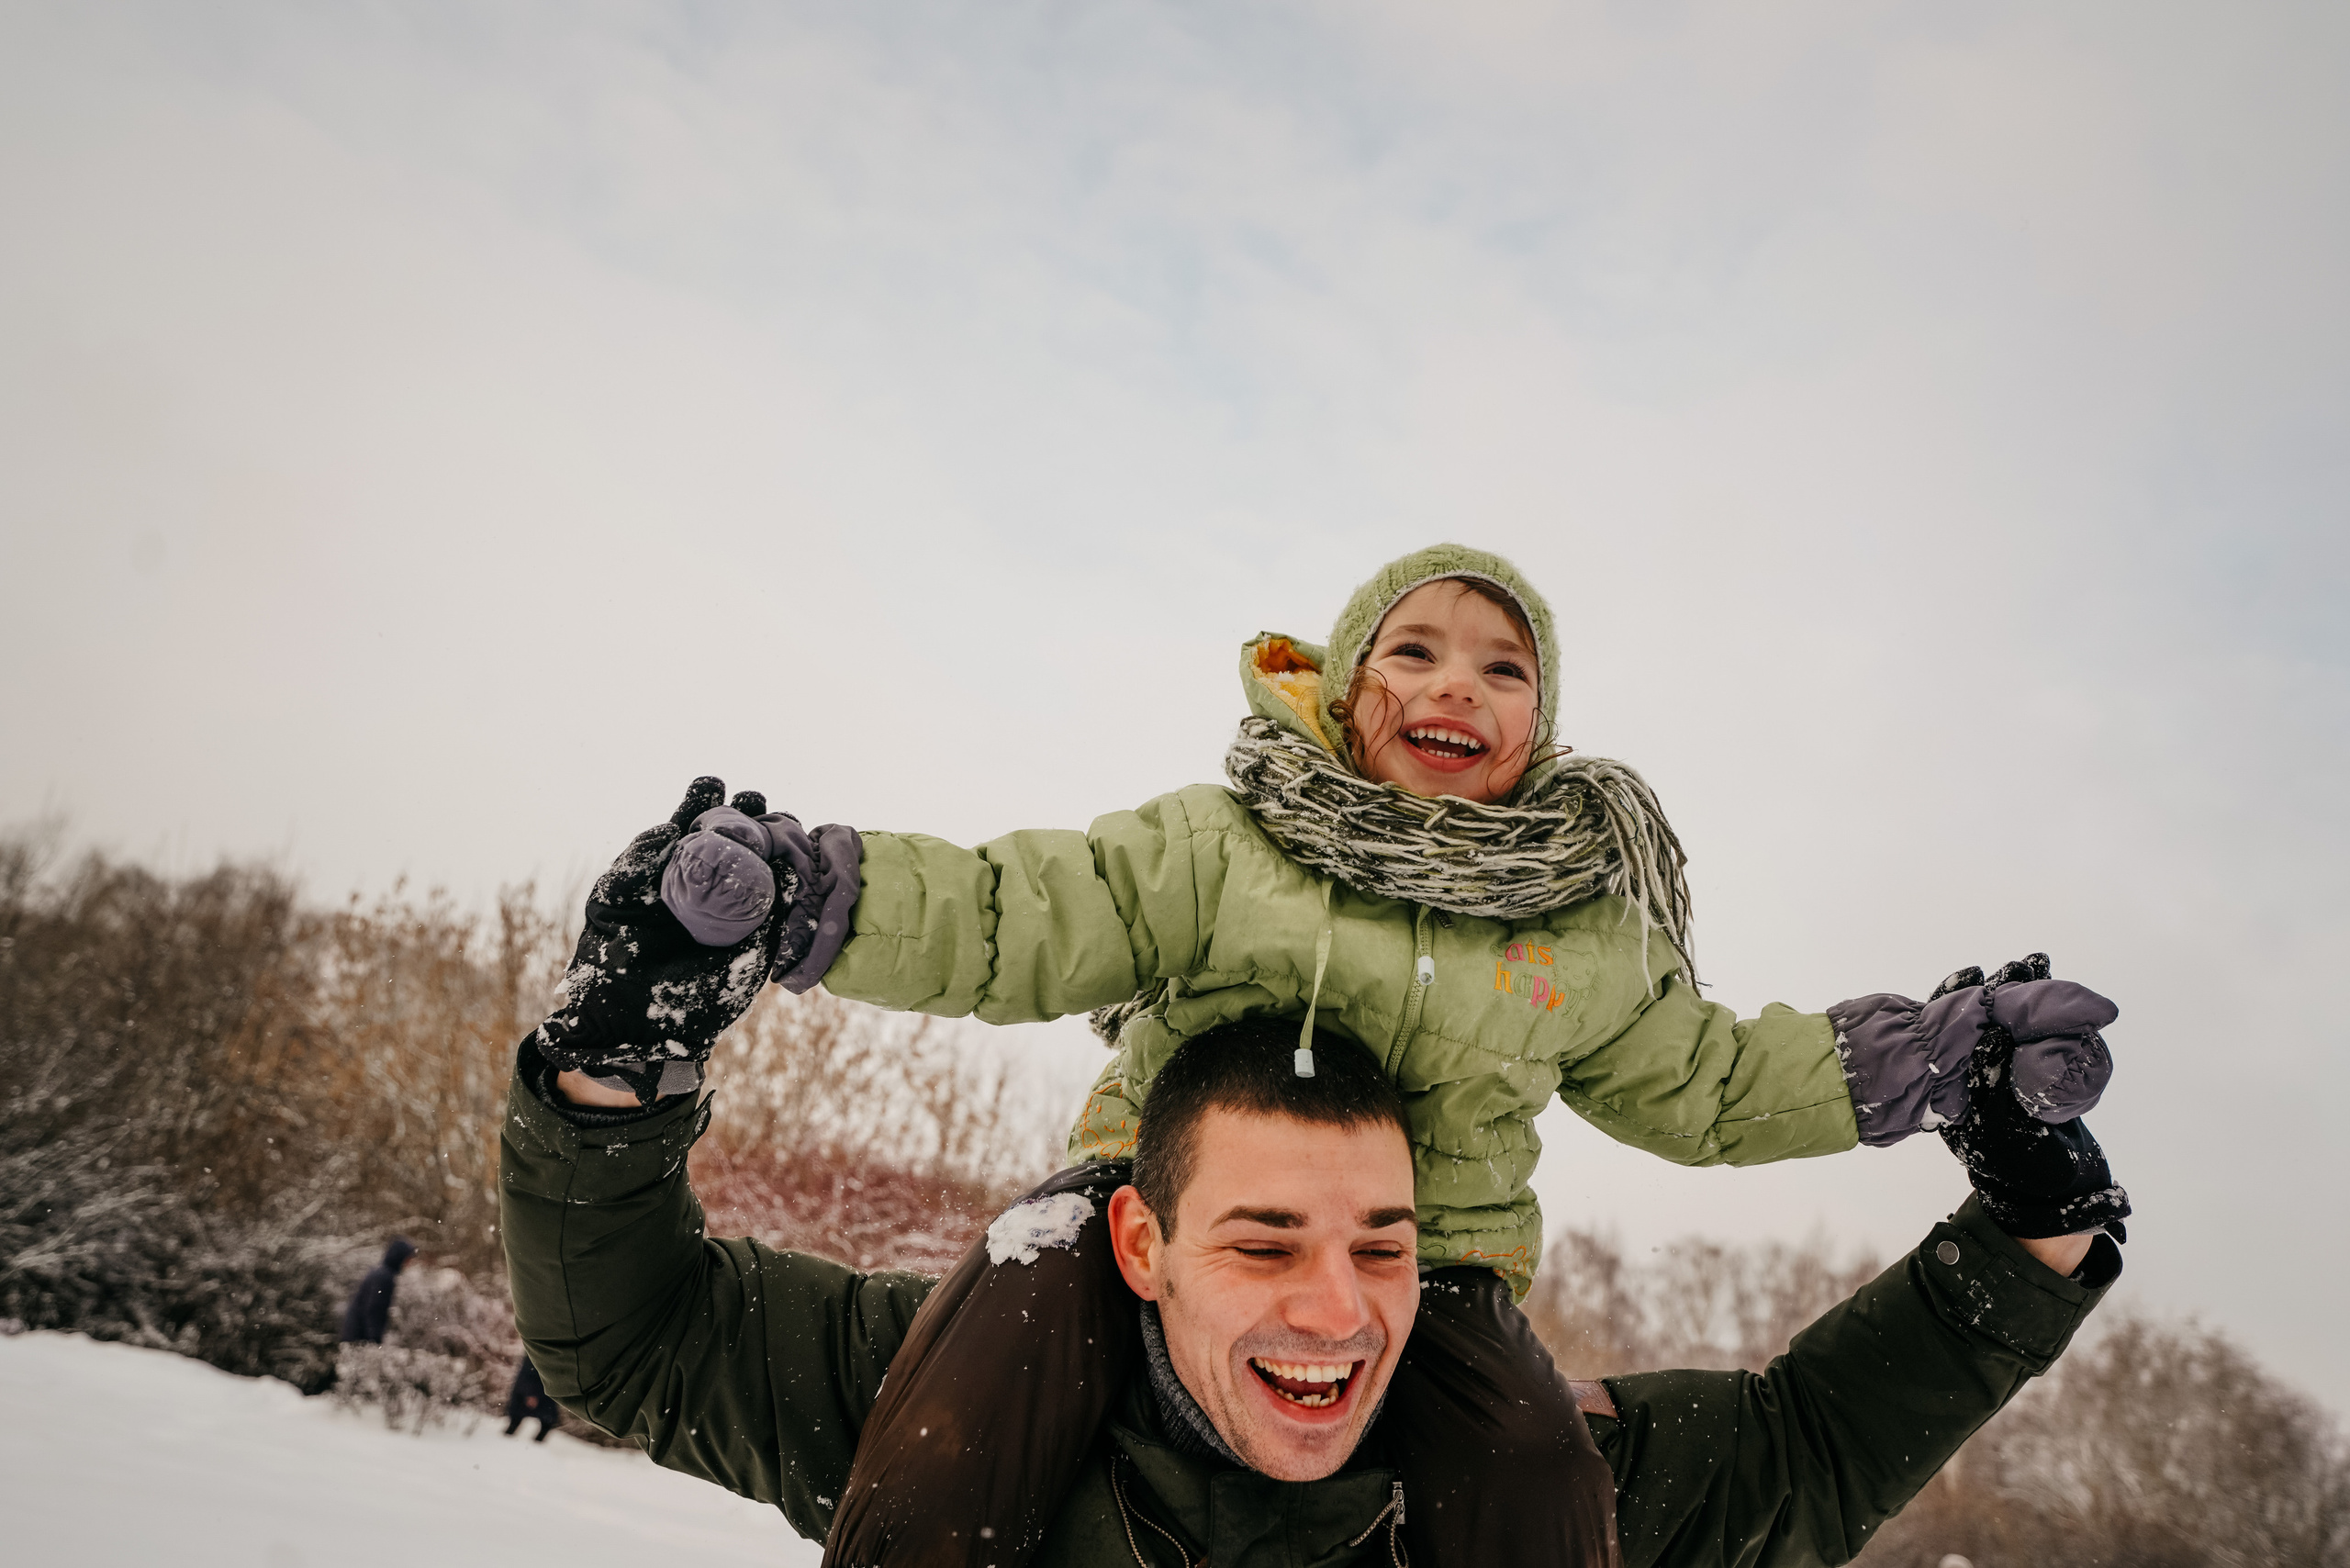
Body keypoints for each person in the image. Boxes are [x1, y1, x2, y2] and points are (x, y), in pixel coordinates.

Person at [534, 543, 2128, 1565]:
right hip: (1096, 1218)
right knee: (986, 1366)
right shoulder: (1224, 850)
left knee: (1527, 1460)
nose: (1460, 685)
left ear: (1546, 732)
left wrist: (1928, 1067)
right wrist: (806, 898)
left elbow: (1707, 1082)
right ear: (1343, 687)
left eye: (1506, 668)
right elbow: (1022, 912)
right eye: (1417, 651)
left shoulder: (1581, 935)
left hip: (1458, 1283)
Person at [500, 1012, 2124, 1567]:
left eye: (1383, 1244)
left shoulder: (1520, 1479)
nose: (1338, 1309)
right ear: (1140, 1244)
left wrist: (2031, 1220)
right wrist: (612, 1059)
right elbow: (633, 1337)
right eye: (1265, 1241)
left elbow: (1809, 1448)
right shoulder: (930, 1395)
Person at [337, 1236, 415, 1346]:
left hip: (354, 1335)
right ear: (399, 1257)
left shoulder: (381, 1273)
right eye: (407, 1259)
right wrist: (374, 1340)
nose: (408, 1263)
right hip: (359, 1338)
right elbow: (374, 1309)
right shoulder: (384, 1277)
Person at [505, 1354, 558, 1440]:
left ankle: (537, 1443)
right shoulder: (535, 1354)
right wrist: (531, 1394)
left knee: (548, 1421)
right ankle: (506, 1438)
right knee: (516, 1418)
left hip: (544, 1390)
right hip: (532, 1390)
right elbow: (527, 1373)